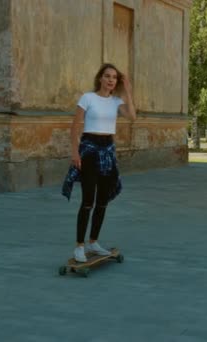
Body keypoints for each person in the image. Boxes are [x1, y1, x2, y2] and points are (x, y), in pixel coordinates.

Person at [61, 63, 136, 262]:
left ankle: (93, 241)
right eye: (107, 76)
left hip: (108, 151)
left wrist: (127, 91)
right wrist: (75, 152)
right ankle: (79, 246)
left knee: (102, 201)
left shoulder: (117, 101)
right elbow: (75, 126)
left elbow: (132, 117)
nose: (111, 80)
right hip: (89, 150)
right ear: (100, 78)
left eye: (114, 77)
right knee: (88, 201)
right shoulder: (88, 98)